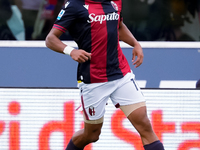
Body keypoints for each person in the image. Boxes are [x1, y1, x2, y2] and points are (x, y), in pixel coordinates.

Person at [45, 0, 165, 150]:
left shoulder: (115, 2)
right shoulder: (74, 5)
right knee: (92, 135)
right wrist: (71, 51)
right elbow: (50, 39)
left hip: (121, 74)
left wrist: (135, 43)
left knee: (144, 125)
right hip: (93, 79)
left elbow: (118, 25)